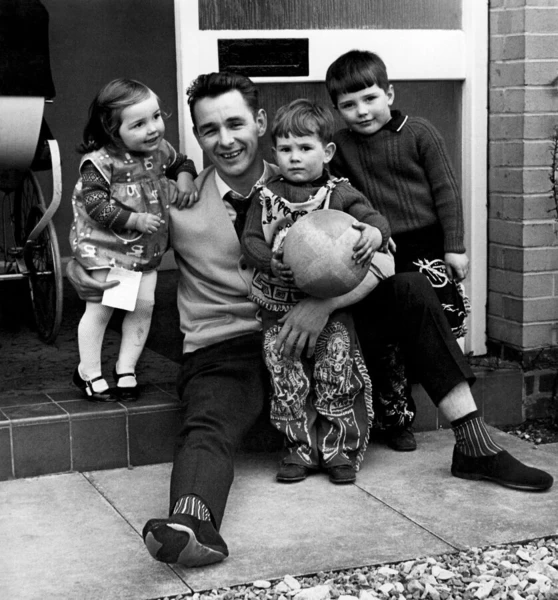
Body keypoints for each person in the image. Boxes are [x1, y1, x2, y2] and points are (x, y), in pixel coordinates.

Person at [66, 71, 553, 570]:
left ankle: (474, 443)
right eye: (210, 130)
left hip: (322, 328)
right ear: (196, 136)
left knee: (409, 289)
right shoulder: (176, 199)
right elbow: (129, 253)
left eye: (235, 123)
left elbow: (383, 258)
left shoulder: (314, 179)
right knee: (208, 416)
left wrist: (323, 306)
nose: (226, 140)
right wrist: (93, 274)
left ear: (259, 123)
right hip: (226, 341)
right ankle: (192, 521)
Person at [241, 98, 395, 485]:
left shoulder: (338, 194)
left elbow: (375, 220)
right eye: (286, 149)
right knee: (287, 375)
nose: (295, 157)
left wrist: (375, 234)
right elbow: (251, 240)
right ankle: (298, 448)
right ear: (274, 152)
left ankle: (339, 448)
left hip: (330, 307)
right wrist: (266, 260)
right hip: (279, 306)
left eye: (305, 148)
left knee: (335, 371)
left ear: (326, 152)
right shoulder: (265, 196)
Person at [325, 49, 471, 452]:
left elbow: (447, 192)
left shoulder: (419, 132)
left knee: (433, 330)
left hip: (426, 246)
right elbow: (336, 197)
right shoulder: (339, 146)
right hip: (379, 250)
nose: (362, 111)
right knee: (387, 341)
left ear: (389, 93)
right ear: (337, 109)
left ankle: (450, 407)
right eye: (348, 105)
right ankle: (396, 418)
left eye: (370, 98)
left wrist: (454, 247)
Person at [69, 78, 197, 401]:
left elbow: (181, 162)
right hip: (110, 251)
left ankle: (126, 368)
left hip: (146, 251)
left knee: (144, 306)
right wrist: (135, 219)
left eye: (156, 116)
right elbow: (95, 203)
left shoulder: (159, 151)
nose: (153, 128)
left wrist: (184, 178)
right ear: (113, 131)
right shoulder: (100, 162)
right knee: (104, 308)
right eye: (138, 124)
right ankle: (89, 371)